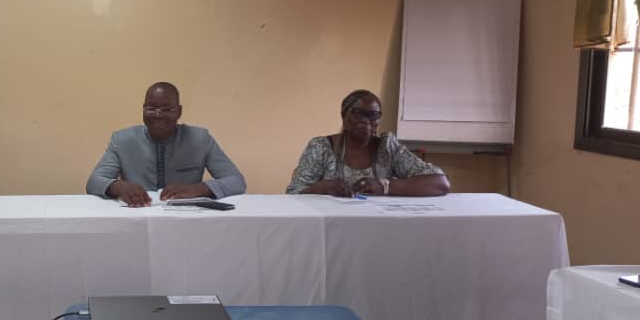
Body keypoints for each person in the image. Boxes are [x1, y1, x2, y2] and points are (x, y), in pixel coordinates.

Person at [86, 82, 246, 207]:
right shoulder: (122, 140)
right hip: (137, 216)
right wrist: (120, 187)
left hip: (186, 220)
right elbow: (94, 181)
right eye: (151, 108)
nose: (158, 115)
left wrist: (197, 189)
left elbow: (236, 181)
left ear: (179, 111)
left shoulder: (200, 139)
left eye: (167, 109)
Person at [286, 89, 450, 196]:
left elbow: (440, 183)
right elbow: (293, 194)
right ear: (343, 116)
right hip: (329, 226)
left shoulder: (387, 148)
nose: (365, 121)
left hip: (379, 226)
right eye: (358, 113)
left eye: (373, 115)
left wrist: (384, 187)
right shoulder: (321, 147)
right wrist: (323, 187)